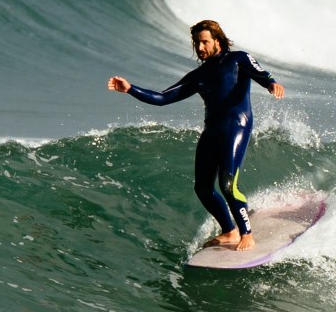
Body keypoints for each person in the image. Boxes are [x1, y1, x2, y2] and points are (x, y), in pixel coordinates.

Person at [108, 19, 284, 252]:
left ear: (218, 41)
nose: (200, 48)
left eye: (204, 42)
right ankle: (229, 231)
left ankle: (247, 234)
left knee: (228, 184)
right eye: (196, 43)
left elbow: (261, 73)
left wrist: (272, 84)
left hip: (236, 125)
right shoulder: (198, 75)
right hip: (212, 130)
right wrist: (131, 89)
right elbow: (163, 98)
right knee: (203, 188)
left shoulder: (237, 59)